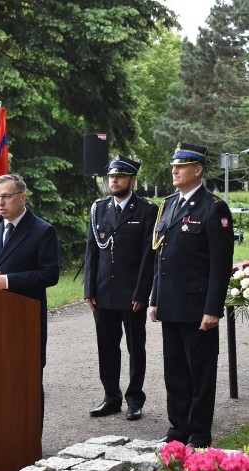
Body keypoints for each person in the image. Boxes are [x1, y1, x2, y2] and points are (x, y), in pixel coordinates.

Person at [149, 142, 234, 448]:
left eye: (181, 166)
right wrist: (155, 299)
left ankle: (199, 433)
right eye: (174, 165)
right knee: (175, 371)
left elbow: (220, 264)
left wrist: (213, 308)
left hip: (198, 307)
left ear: (197, 170)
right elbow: (161, 257)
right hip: (171, 303)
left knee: (200, 372)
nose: (174, 170)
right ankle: (178, 429)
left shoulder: (214, 208)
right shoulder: (169, 204)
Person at [0, 173, 60, 426]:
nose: (0, 202)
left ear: (22, 197)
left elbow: (50, 274)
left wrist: (7, 281)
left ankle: (29, 438)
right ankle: (1, 437)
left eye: (6, 196)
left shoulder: (42, 231)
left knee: (26, 380)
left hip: (25, 320)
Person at [84, 156, 157, 420]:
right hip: (103, 291)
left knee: (136, 347)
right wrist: (89, 289)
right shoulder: (98, 209)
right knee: (106, 346)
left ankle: (135, 398)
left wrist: (142, 292)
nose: (113, 181)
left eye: (120, 176)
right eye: (111, 177)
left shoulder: (147, 210)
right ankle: (111, 396)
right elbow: (92, 251)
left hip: (131, 294)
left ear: (132, 180)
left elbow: (149, 257)